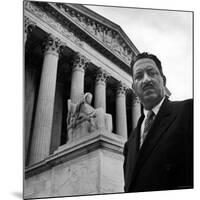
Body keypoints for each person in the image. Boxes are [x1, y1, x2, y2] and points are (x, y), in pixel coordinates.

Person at [123, 52, 193, 192]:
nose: (146, 80)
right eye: (139, 76)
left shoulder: (189, 111)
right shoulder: (130, 142)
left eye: (151, 73)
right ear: (134, 87)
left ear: (163, 80)